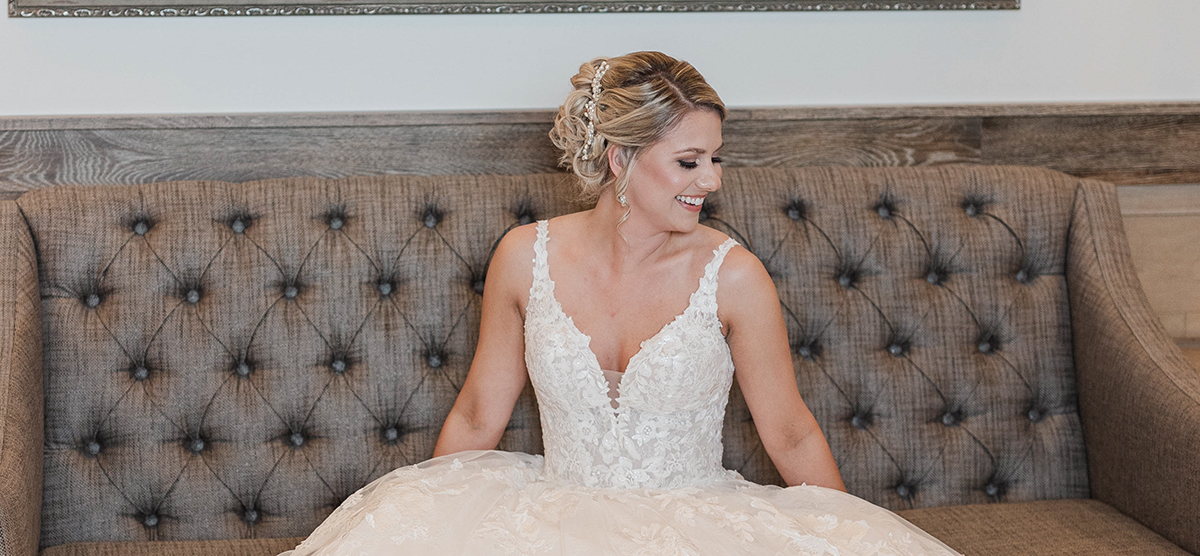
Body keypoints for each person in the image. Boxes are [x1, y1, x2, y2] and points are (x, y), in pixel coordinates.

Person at [281, 51, 962, 556]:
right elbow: (478, 412)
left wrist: (845, 537)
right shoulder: (524, 256)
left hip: (698, 524)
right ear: (620, 160)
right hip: (545, 519)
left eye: (716, 160)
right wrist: (429, 521)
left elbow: (789, 434)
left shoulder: (734, 276)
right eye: (690, 161)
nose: (711, 182)